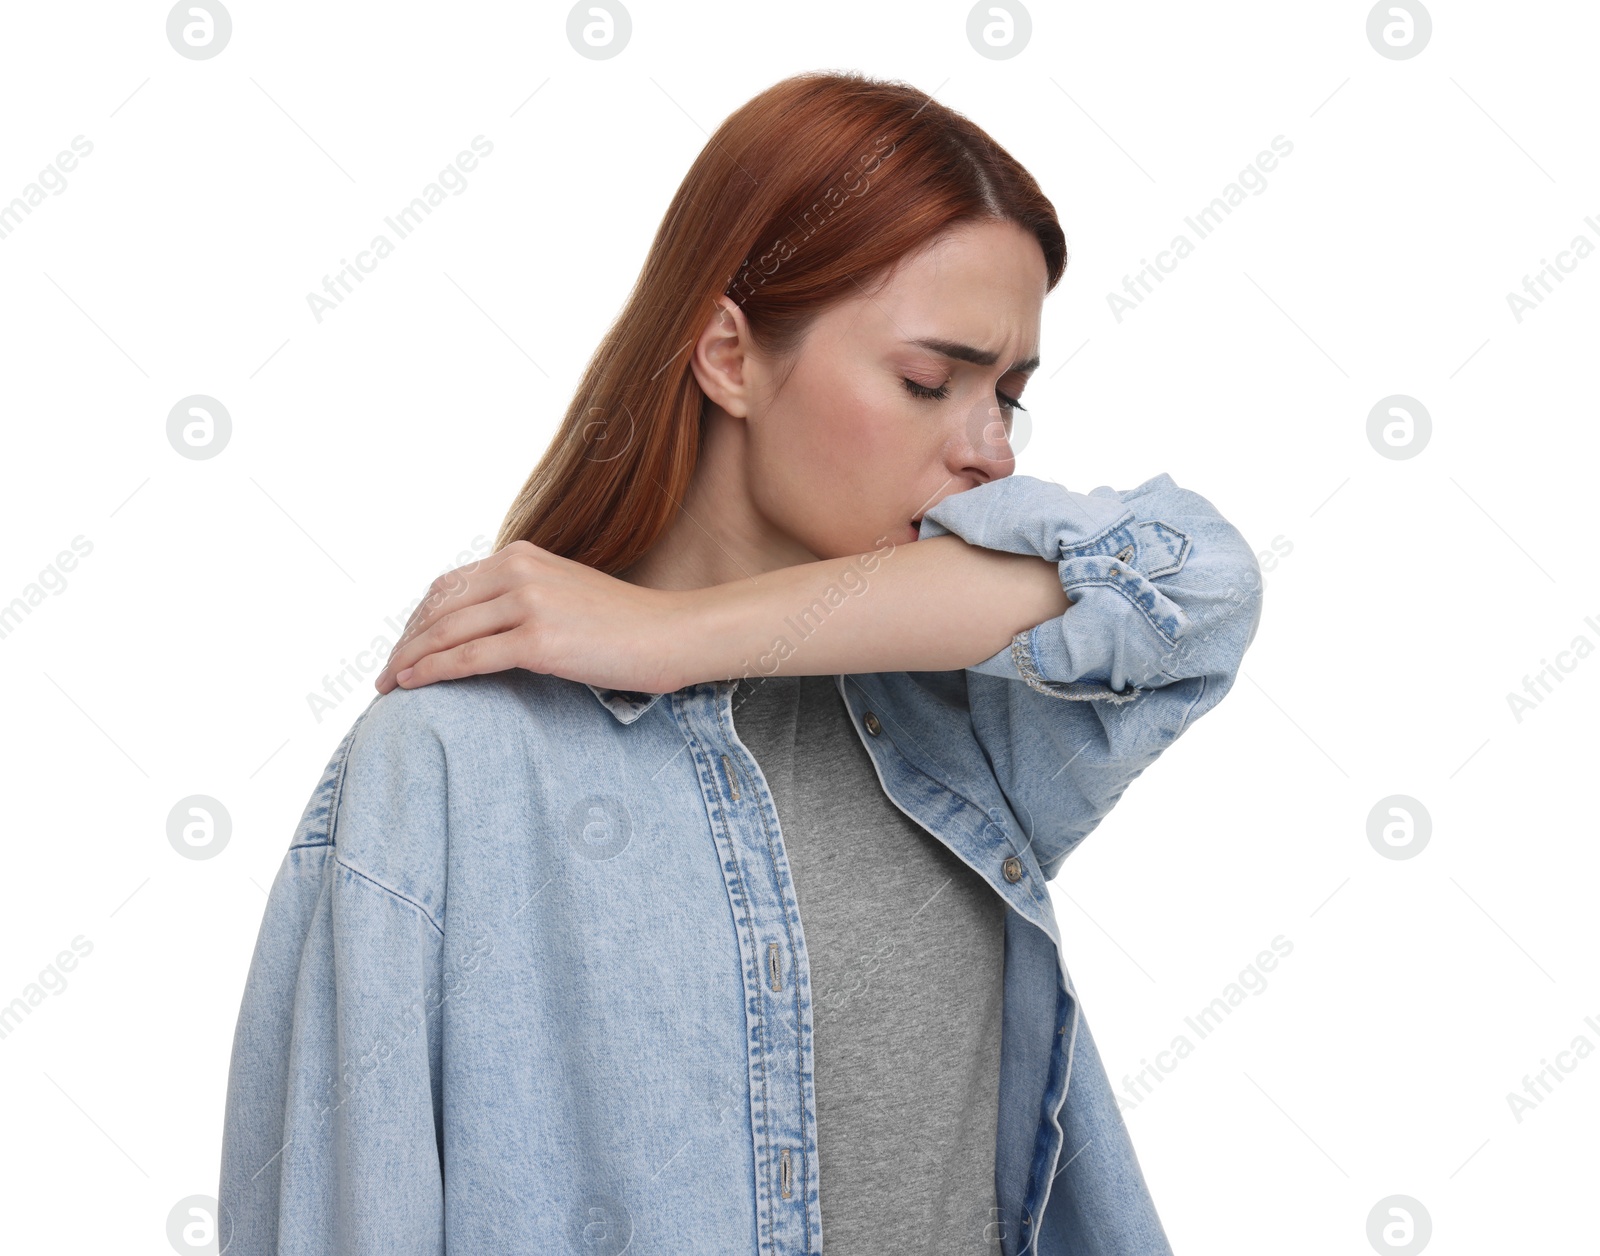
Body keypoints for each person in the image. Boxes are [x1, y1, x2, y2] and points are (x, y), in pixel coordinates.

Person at [218, 70, 1263, 1255]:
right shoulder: (452, 762)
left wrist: (669, 638)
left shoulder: (964, 714)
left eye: (1008, 397)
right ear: (728, 355)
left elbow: (1196, 586)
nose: (987, 454)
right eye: (929, 381)